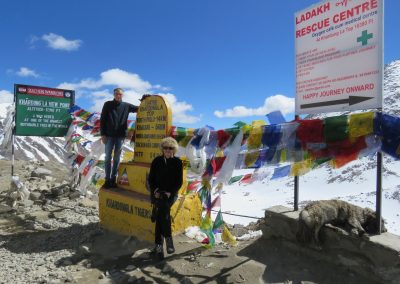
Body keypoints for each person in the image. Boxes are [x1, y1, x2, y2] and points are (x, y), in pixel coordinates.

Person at [148, 137, 183, 259]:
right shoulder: (156, 161)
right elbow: (151, 179)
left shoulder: (178, 163)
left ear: (174, 150)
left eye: (170, 148)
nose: (168, 150)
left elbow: (179, 182)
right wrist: (156, 191)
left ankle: (159, 246)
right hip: (158, 193)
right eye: (165, 148)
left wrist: (170, 193)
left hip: (171, 194)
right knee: (163, 212)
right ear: (162, 149)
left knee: (161, 211)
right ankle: (168, 241)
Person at [100, 88, 138, 188]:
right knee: (108, 157)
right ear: (114, 94)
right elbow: (102, 119)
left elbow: (139, 108)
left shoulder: (126, 106)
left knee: (117, 158)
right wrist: (103, 134)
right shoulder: (107, 104)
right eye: (116, 94)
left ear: (122, 95)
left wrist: (145, 100)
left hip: (120, 136)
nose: (118, 96)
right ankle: (107, 179)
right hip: (108, 135)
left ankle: (113, 179)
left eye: (120, 94)